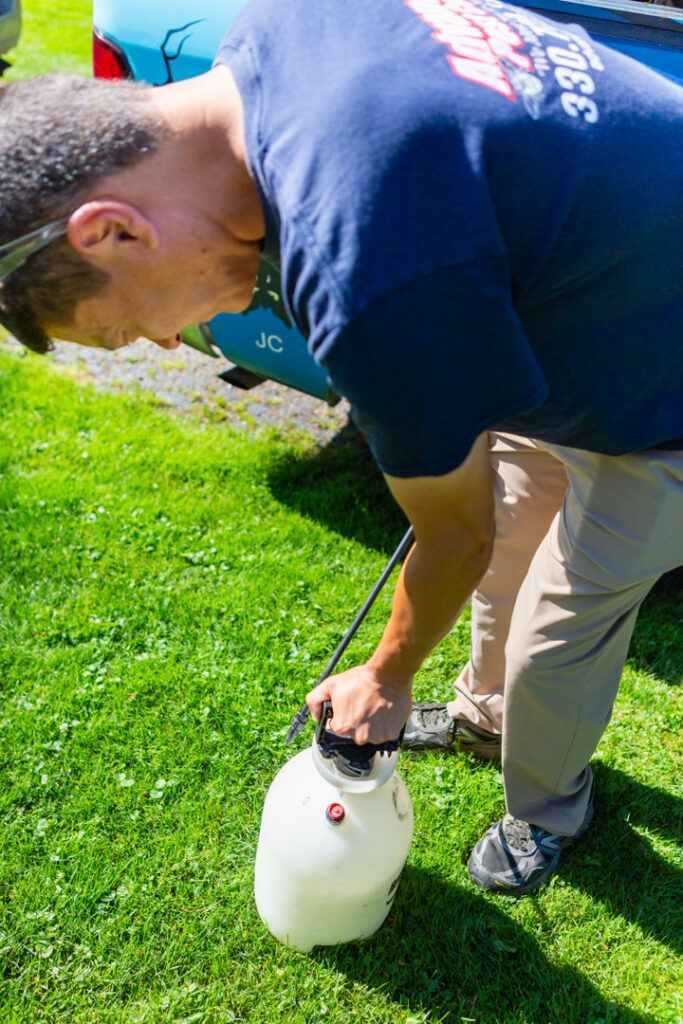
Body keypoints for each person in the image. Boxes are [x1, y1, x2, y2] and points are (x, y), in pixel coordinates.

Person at [0, 0, 681, 896]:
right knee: (512, 533)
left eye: (125, 327)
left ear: (114, 231)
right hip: (580, 306)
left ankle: (547, 807)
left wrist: (386, 676)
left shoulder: (360, 257)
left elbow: (452, 534)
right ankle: (484, 716)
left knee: (563, 621)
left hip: (661, 389)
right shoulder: (280, 22)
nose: (167, 343)